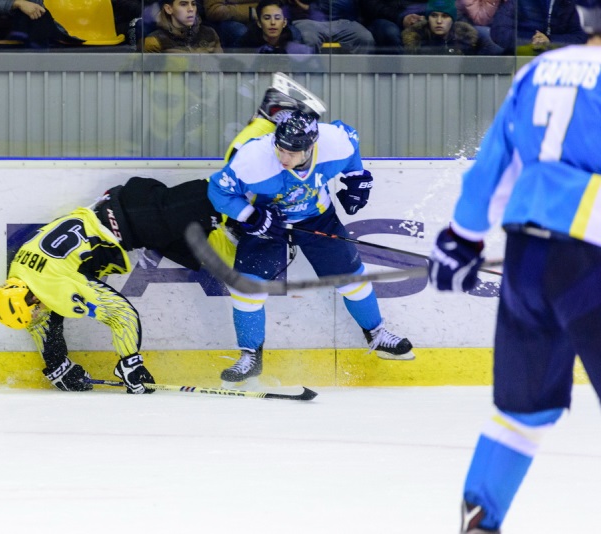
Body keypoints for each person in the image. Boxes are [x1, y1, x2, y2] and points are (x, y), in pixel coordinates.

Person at [427, 1, 601, 531]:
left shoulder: (539, 70)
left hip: (529, 258)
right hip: (592, 259)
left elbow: (494, 163)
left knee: (523, 412)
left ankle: (481, 521)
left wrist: (463, 237)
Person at [208, 109, 415, 383]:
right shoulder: (253, 157)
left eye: (292, 153)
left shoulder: (334, 142)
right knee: (247, 289)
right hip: (269, 222)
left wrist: (356, 176)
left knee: (352, 280)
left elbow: (352, 143)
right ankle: (250, 357)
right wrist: (251, 216)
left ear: (311, 147)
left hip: (317, 217)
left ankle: (377, 335)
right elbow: (218, 190)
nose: (284, 159)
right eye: (280, 149)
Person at [0, 176, 239, 394]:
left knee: (216, 196)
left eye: (34, 312)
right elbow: (43, 325)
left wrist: (130, 364)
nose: (37, 317)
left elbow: (122, 315)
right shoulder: (19, 271)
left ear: (32, 297)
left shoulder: (54, 287)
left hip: (145, 215)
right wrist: (57, 366)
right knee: (221, 255)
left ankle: (251, 186)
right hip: (130, 206)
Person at [0, 0, 81, 49]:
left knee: (36, 17)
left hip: (17, 20)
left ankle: (37, 73)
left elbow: (35, 4)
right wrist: (16, 3)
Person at [491, 0, 587, 55]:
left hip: (561, 61)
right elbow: (499, 30)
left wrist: (550, 41)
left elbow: (581, 37)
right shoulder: (518, 2)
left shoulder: (574, 3)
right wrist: (532, 41)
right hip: (521, 59)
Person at [401, 0, 496, 54]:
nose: (439, 21)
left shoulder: (466, 41)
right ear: (427, 18)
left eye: (445, 16)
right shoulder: (415, 43)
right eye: (434, 16)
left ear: (452, 20)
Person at [286, 0, 375, 53]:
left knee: (364, 37)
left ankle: (358, 76)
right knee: (307, 38)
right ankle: (310, 76)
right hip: (307, 21)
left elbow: (341, 5)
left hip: (342, 22)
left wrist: (307, 7)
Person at [236, 0, 314, 54]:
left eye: (277, 18)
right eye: (267, 18)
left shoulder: (299, 51)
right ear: (259, 23)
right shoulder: (248, 50)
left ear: (284, 22)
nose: (273, 22)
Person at [142, 0, 222, 52]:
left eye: (193, 4)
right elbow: (152, 72)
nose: (191, 9)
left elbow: (222, 67)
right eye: (183, 4)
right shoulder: (156, 41)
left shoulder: (209, 34)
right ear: (168, 9)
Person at [359, 0, 428, 53]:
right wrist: (401, 17)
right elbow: (371, 5)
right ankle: (400, 67)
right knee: (390, 32)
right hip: (385, 18)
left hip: (420, 14)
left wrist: (423, 15)